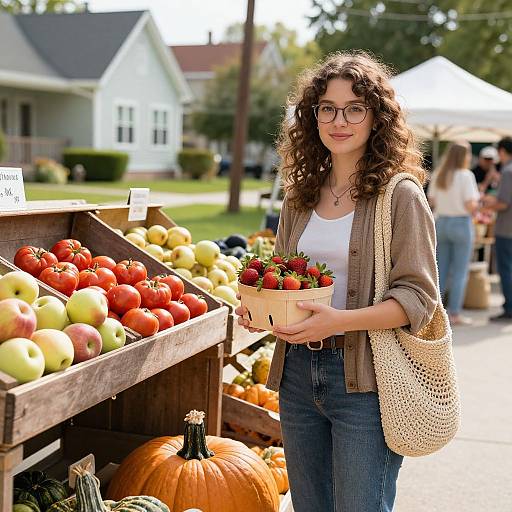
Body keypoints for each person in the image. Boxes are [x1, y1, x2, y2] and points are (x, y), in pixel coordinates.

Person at [235, 51, 438, 512]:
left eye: (354, 108)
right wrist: (260, 309)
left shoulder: (400, 195)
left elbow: (418, 299)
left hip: (365, 383)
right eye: (327, 108)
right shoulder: (299, 195)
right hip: (297, 380)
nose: (338, 120)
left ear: (377, 118)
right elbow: (287, 280)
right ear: (313, 117)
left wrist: (338, 322)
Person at [427, 141, 480, 325]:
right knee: (459, 272)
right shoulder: (466, 176)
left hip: (441, 222)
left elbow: (431, 200)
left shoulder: (439, 174)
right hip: (461, 223)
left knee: (440, 270)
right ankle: (455, 313)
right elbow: (470, 205)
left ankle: (437, 313)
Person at [482, 137, 512, 321]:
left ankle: (509, 308)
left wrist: (484, 207)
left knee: (506, 269)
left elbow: (504, 203)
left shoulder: (508, 171)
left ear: (501, 151)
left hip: (506, 228)